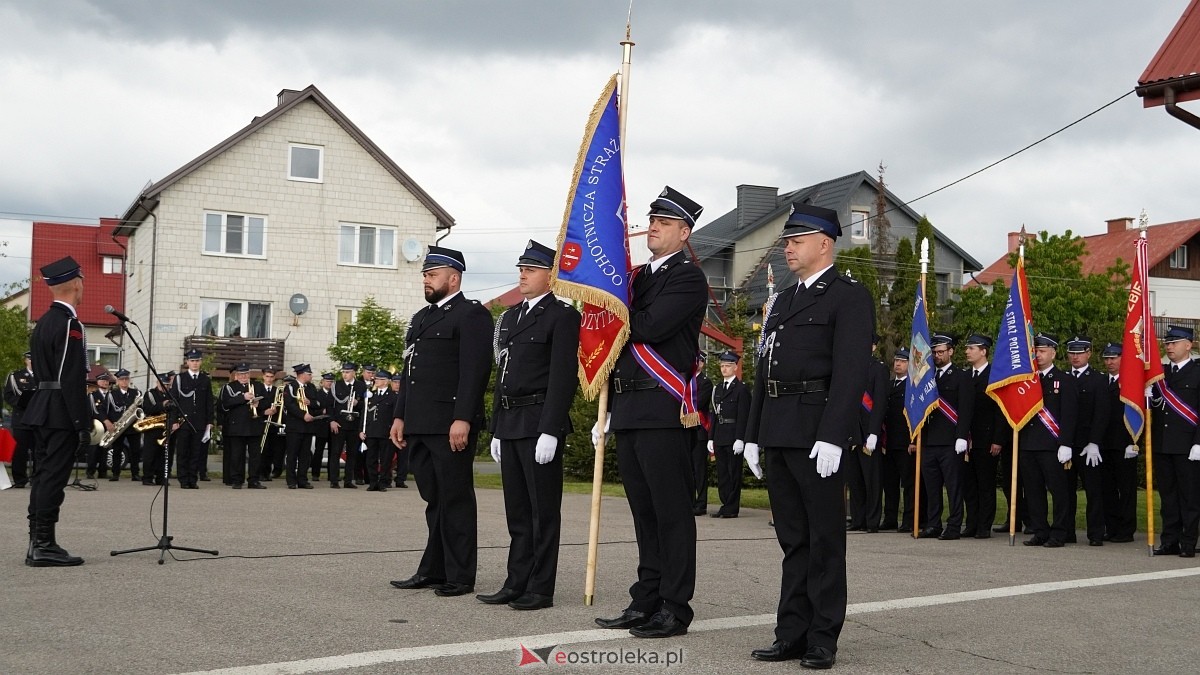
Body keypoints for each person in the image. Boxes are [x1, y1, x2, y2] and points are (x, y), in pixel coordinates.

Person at [742, 203, 874, 668]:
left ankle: (822, 637)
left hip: (817, 432)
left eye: (796, 241)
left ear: (825, 243)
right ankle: (791, 633)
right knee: (793, 540)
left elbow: (851, 371)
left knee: (824, 540)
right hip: (778, 429)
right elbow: (764, 368)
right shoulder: (782, 300)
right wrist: (753, 434)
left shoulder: (848, 297)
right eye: (787, 241)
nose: (787, 249)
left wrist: (834, 434)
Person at [592, 187, 708, 640]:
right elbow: (616, 324)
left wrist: (618, 315)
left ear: (684, 232)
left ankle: (675, 608)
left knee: (671, 512)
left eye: (663, 222)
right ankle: (646, 598)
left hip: (662, 406)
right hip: (630, 405)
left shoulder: (688, 278)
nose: (653, 226)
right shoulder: (637, 278)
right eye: (651, 219)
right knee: (644, 511)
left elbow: (652, 326)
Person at [480, 239, 580, 611]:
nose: (522, 274)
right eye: (521, 268)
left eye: (531, 269)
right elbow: (502, 377)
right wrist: (495, 429)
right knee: (518, 511)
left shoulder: (562, 316)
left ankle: (541, 587)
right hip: (511, 421)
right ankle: (516, 580)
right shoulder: (509, 317)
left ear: (551, 276)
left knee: (543, 511)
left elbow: (562, 377)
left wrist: (551, 429)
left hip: (539, 421)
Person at [389, 246, 493, 597]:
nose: (426, 280)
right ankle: (433, 569)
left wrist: (462, 418)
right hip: (420, 423)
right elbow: (409, 372)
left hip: (449, 423)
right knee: (434, 500)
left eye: (432, 275)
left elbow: (474, 372)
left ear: (454, 277)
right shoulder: (420, 318)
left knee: (455, 499)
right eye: (425, 275)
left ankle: (460, 575)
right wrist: (400, 415)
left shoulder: (471, 315)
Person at [23, 256, 90, 566]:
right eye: (82, 282)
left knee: (43, 476)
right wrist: (81, 421)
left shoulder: (43, 322)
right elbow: (72, 375)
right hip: (60, 410)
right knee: (52, 478)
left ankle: (37, 541)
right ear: (75, 284)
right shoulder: (68, 324)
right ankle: (44, 545)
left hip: (42, 406)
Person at [1021, 332, 1078, 548]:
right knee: (1033, 491)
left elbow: (1070, 415)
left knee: (1059, 491)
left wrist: (1066, 443)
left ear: (1053, 353)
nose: (1038, 355)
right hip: (1029, 444)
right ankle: (1040, 530)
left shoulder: (1064, 381)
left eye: (1043, 351)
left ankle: (1060, 532)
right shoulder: (1026, 381)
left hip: (1052, 445)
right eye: (1035, 351)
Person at [917, 334, 974, 540]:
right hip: (930, 440)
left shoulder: (962, 377)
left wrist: (961, 436)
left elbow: (966, 409)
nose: (937, 355)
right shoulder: (925, 377)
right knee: (931, 486)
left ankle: (954, 525)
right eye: (934, 352)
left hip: (950, 441)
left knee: (953, 486)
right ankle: (933, 524)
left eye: (941, 351)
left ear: (951, 351)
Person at [1151, 325, 1200, 557]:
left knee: (1189, 497)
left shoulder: (1197, 373)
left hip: (1188, 446)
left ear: (1188, 345)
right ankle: (1169, 540)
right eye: (1167, 343)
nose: (1169, 346)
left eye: (1174, 342)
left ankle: (1188, 542)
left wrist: (1198, 442)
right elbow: (1160, 410)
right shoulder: (1160, 374)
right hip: (1163, 444)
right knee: (1168, 497)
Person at [1064, 335, 1110, 546]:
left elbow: (1102, 414)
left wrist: (1095, 442)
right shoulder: (1063, 378)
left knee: (1094, 490)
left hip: (1088, 444)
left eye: (1080, 353)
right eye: (1072, 353)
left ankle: (1096, 533)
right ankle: (1066, 531)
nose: (1075, 357)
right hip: (1067, 443)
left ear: (1089, 353)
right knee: (1065, 490)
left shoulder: (1099, 379)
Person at [961, 334, 1005, 539]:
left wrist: (997, 439)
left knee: (985, 484)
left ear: (984, 351)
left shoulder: (994, 375)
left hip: (987, 439)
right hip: (967, 440)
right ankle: (972, 522)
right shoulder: (965, 376)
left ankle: (984, 525)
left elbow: (1000, 411)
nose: (968, 351)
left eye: (972, 348)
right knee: (969, 484)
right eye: (967, 348)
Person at [845, 334, 888, 533]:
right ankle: (858, 519)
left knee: (872, 480)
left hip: (869, 433)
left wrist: (874, 432)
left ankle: (872, 521)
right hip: (852, 432)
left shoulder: (878, 369)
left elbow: (879, 403)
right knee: (855, 480)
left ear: (873, 347)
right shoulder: (850, 368)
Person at [1098, 343, 1137, 543]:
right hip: (1104, 444)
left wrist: (1134, 442)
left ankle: (1126, 529)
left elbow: (1139, 414)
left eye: (1113, 358)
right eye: (1106, 358)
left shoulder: (1131, 383)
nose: (1109, 362)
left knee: (1127, 489)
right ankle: (1111, 527)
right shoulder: (1101, 381)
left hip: (1125, 443)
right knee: (1108, 489)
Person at [709, 351, 751, 519]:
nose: (724, 369)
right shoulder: (718, 388)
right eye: (722, 366)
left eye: (727, 366)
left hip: (733, 435)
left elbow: (743, 415)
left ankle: (732, 507)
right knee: (723, 473)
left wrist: (741, 438)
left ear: (735, 367)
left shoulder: (741, 389)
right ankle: (725, 503)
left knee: (733, 472)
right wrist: (711, 437)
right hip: (720, 434)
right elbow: (714, 414)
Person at [879, 349, 916, 532]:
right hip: (889, 441)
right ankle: (890, 517)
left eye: (902, 361)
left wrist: (913, 440)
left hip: (905, 442)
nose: (898, 364)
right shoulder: (889, 385)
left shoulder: (912, 386)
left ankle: (909, 519)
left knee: (908, 483)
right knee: (890, 483)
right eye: (896, 361)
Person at [171, 348, 213, 489]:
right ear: (187, 362)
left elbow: (209, 402)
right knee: (183, 452)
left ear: (201, 362)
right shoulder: (180, 378)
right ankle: (183, 479)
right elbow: (174, 401)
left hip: (199, 422)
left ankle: (192, 479)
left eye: (197, 361)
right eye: (192, 361)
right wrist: (174, 420)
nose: (195, 363)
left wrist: (210, 421)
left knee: (196, 452)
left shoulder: (205, 379)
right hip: (183, 421)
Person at [220, 363, 264, 489]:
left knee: (255, 455)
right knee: (237, 455)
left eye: (246, 374)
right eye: (241, 374)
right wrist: (243, 397)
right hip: (237, 426)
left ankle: (254, 480)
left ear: (249, 374)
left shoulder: (257, 386)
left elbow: (266, 402)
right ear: (237, 375)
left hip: (254, 425)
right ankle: (237, 480)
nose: (244, 376)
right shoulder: (229, 387)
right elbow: (225, 404)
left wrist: (258, 405)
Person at [329, 362, 366, 489]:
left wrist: (358, 403)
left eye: (348, 372)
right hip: (339, 423)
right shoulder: (336, 386)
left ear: (354, 373)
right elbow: (330, 405)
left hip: (354, 424)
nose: (345, 374)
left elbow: (365, 406)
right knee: (335, 452)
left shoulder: (361, 386)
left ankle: (348, 480)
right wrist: (332, 420)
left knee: (352, 453)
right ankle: (334, 479)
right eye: (343, 372)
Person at [283, 363, 320, 489]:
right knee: (292, 454)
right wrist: (303, 414)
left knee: (305, 455)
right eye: (309, 374)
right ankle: (291, 480)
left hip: (308, 427)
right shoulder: (291, 387)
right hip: (294, 426)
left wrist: (310, 403)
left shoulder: (311, 387)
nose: (311, 376)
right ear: (302, 375)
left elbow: (317, 403)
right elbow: (289, 405)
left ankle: (302, 479)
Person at [4, 351, 36, 488]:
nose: (33, 362)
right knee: (20, 451)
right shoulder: (15, 376)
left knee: (39, 450)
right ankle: (20, 479)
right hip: (22, 418)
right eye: (30, 359)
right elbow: (8, 395)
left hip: (38, 418)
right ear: (26, 361)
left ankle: (37, 478)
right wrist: (21, 402)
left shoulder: (44, 376)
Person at [103, 368, 141, 482]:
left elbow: (140, 408)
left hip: (133, 426)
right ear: (117, 381)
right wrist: (107, 421)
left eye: (126, 379)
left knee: (135, 451)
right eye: (122, 379)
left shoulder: (135, 393)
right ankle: (115, 473)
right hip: (117, 426)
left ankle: (135, 474)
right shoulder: (111, 394)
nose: (124, 381)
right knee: (117, 450)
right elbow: (103, 410)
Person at [362, 369, 394, 491]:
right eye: (376, 379)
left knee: (386, 460)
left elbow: (395, 415)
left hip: (386, 432)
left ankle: (383, 482)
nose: (376, 381)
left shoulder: (392, 396)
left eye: (380, 379)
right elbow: (364, 414)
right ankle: (373, 482)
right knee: (371, 459)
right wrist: (362, 429)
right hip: (371, 431)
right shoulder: (371, 396)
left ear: (386, 381)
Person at [140, 371, 173, 486]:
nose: (165, 387)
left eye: (167, 384)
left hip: (165, 428)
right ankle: (147, 477)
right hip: (152, 428)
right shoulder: (150, 394)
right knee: (150, 454)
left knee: (163, 455)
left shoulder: (171, 394)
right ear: (157, 382)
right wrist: (162, 405)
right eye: (163, 384)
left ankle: (161, 478)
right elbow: (147, 409)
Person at [690, 373, 714, 516]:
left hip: (699, 430)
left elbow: (698, 403)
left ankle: (701, 503)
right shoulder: (686, 378)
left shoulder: (705, 382)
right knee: (689, 470)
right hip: (686, 430)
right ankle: (690, 501)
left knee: (699, 470)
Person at [309, 372, 336, 483]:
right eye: (327, 381)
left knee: (333, 452)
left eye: (331, 381)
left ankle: (332, 475)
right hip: (321, 426)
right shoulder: (317, 394)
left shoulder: (335, 394)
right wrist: (322, 411)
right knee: (319, 451)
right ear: (322, 382)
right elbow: (313, 409)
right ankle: (315, 474)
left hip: (332, 426)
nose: (329, 383)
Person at [257, 369, 284, 482]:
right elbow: (253, 407)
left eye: (271, 377)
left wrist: (275, 410)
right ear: (263, 377)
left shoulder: (277, 390)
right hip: (260, 423)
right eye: (267, 376)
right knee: (261, 449)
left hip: (273, 424)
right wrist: (264, 412)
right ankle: (259, 473)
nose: (269, 379)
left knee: (271, 450)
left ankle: (267, 472)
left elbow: (281, 406)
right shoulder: (258, 389)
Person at [87, 373, 111, 479]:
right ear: (97, 382)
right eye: (102, 381)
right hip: (96, 426)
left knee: (104, 449)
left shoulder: (111, 395)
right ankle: (90, 471)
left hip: (108, 426)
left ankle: (103, 472)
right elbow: (94, 411)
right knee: (93, 450)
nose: (105, 382)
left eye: (106, 381)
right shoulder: (93, 395)